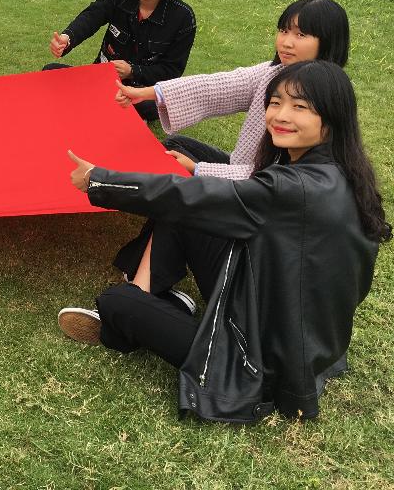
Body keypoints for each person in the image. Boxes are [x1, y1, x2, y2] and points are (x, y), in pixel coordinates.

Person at [58, 61, 389, 422]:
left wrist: (99, 180)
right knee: (185, 215)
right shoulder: (344, 175)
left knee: (117, 301)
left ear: (332, 118)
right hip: (303, 336)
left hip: (259, 364)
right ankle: (155, 299)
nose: (281, 115)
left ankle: (127, 319)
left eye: (300, 107)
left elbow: (186, 195)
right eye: (275, 103)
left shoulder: (292, 188)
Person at [115, 0, 349, 180]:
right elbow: (218, 87)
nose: (286, 42)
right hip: (244, 167)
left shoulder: (324, 99)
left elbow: (275, 179)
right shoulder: (274, 72)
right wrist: (147, 93)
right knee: (175, 146)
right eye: (284, 31)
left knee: (183, 183)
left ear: (328, 41)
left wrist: (198, 170)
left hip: (265, 188)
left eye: (301, 34)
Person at [44, 0, 196, 121]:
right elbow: (91, 17)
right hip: (101, 79)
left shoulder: (183, 17)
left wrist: (132, 71)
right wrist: (67, 38)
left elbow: (172, 70)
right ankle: (104, 104)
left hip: (142, 92)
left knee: (160, 106)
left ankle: (101, 104)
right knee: (50, 71)